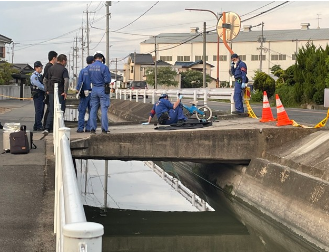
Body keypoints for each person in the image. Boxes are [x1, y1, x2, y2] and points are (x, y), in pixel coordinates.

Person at [44, 54, 69, 134]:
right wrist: (65, 92)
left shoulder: (51, 68)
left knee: (51, 110)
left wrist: (46, 90)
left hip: (51, 92)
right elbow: (66, 81)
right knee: (60, 110)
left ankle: (47, 128)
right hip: (60, 92)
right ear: (63, 61)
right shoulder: (64, 69)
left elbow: (45, 80)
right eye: (66, 61)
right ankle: (59, 127)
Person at [88, 51, 111, 134]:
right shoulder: (104, 67)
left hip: (94, 89)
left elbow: (89, 78)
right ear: (101, 58)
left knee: (93, 109)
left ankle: (92, 128)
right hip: (102, 89)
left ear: (94, 59)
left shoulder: (90, 67)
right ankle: (104, 129)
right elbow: (107, 80)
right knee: (104, 109)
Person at [76, 56, 94, 133]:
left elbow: (79, 82)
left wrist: (77, 90)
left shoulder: (83, 71)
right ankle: (89, 128)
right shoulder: (95, 71)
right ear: (93, 61)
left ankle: (80, 128)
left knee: (82, 111)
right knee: (92, 111)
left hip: (84, 93)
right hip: (93, 93)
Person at [43, 51, 58, 129]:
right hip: (50, 90)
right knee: (50, 109)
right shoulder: (49, 67)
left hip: (49, 90)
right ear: (53, 58)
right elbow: (45, 79)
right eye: (56, 58)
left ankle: (46, 125)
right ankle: (47, 126)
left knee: (49, 108)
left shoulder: (48, 66)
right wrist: (47, 90)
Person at [30, 61, 45, 131]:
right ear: (36, 68)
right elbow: (38, 85)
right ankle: (38, 125)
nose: (41, 68)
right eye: (40, 67)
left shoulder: (39, 75)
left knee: (41, 110)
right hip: (37, 94)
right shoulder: (34, 76)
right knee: (39, 110)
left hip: (40, 94)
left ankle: (36, 125)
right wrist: (46, 89)